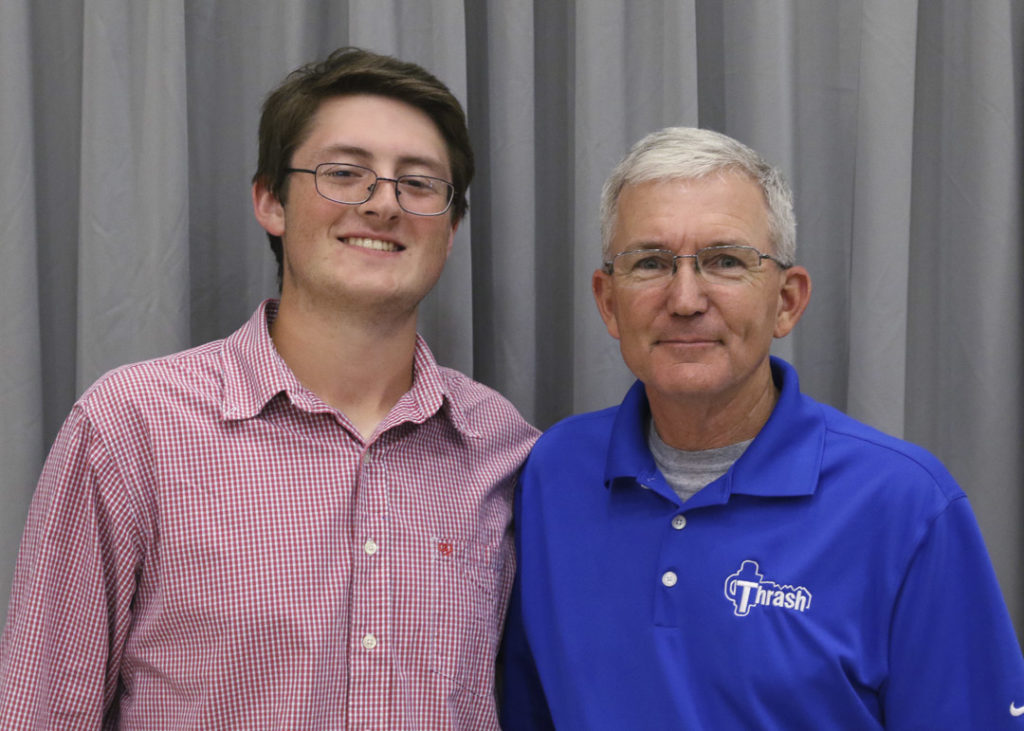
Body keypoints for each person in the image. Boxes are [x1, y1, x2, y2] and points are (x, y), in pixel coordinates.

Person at [0, 47, 537, 728]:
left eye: (419, 183)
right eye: (344, 173)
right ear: (270, 202)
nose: (383, 203)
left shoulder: (504, 448)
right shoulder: (132, 427)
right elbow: (43, 710)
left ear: (452, 229)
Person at [500, 126, 1024, 729]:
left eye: (725, 261)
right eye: (650, 263)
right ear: (608, 302)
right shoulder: (555, 472)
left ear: (787, 300)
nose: (686, 299)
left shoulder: (905, 504)